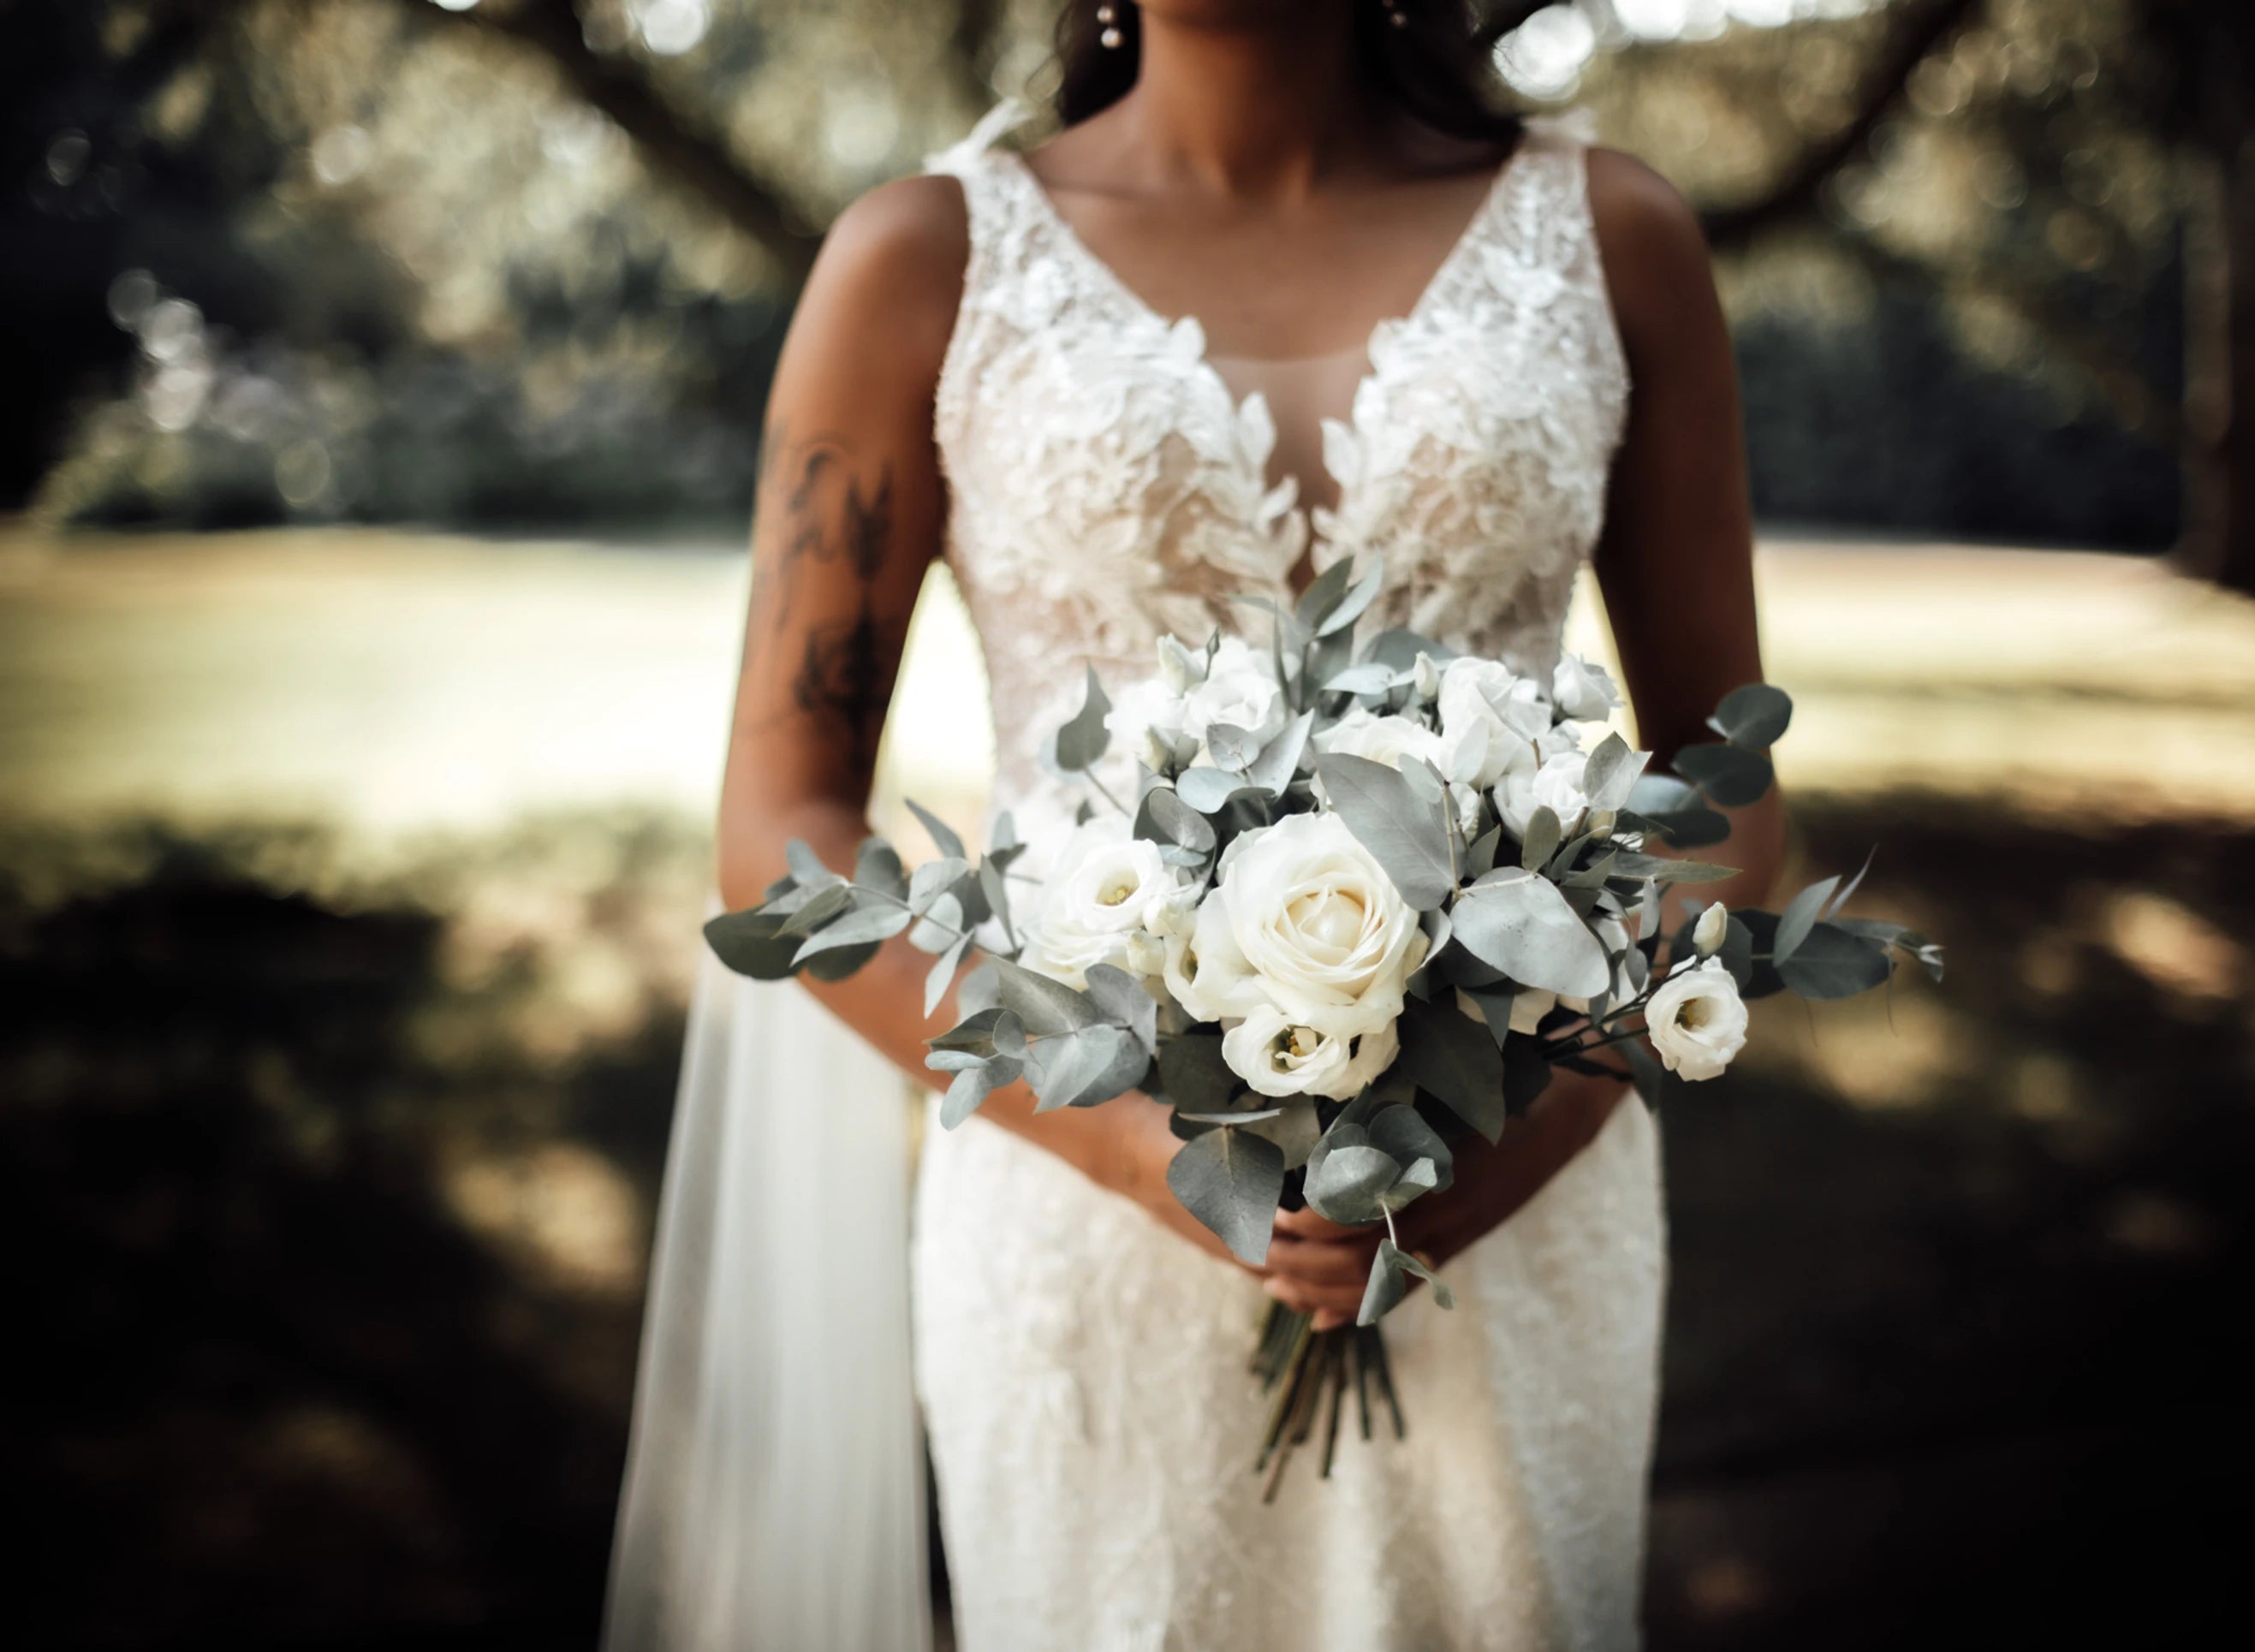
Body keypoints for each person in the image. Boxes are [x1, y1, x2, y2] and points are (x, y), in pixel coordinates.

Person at [606, 3, 1783, 1647]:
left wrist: (1539, 1113)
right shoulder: (921, 260)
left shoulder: (1616, 240)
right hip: (1081, 1222)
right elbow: (779, 824)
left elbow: (1726, 785)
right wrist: (1130, 1143)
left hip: (1513, 1213)